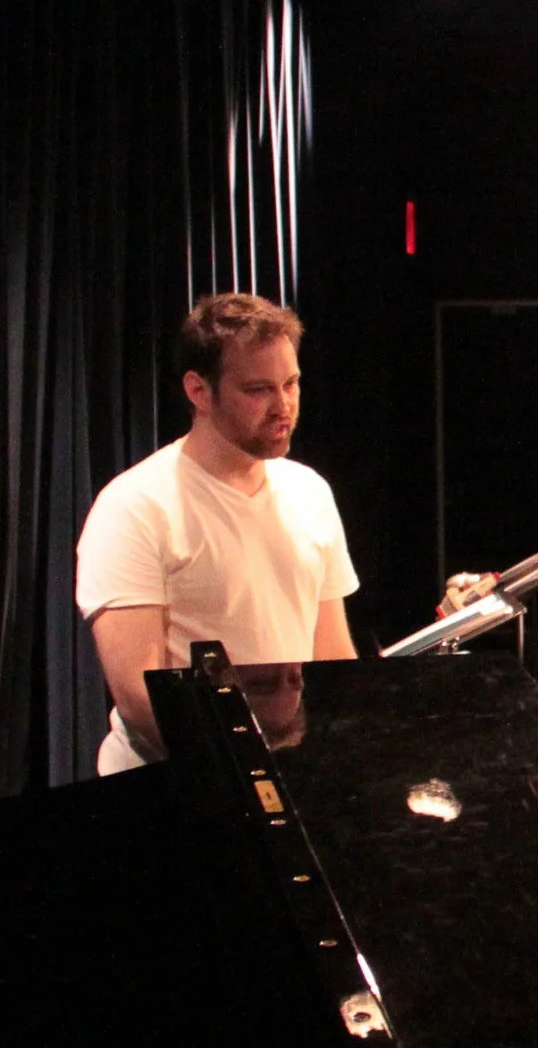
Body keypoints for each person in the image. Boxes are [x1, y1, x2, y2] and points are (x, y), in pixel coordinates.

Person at [76, 293, 359, 775]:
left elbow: (332, 661)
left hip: (286, 775)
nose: (283, 405)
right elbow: (142, 699)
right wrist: (249, 771)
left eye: (291, 384)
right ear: (199, 391)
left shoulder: (309, 492)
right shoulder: (135, 506)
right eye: (258, 390)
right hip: (174, 788)